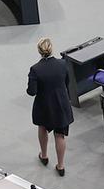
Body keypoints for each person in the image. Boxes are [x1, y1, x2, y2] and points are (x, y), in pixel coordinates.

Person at [24, 38, 73, 175]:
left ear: (39, 51)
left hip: (44, 106)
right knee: (60, 135)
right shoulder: (63, 64)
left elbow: (32, 92)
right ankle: (61, 166)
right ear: (51, 49)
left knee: (42, 127)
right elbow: (67, 82)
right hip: (61, 105)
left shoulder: (35, 69)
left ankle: (44, 156)